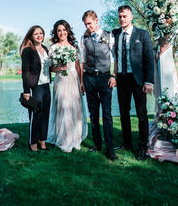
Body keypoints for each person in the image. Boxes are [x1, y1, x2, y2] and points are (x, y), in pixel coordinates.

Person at [112, 5, 154, 160]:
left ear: (131, 17)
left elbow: (149, 59)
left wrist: (149, 81)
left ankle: (143, 146)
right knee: (123, 113)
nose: (122, 19)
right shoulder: (115, 34)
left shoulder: (142, 34)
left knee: (141, 114)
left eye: (125, 16)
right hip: (122, 79)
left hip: (138, 80)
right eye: (120, 16)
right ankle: (127, 142)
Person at [80, 10, 117, 161]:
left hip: (105, 78)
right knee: (93, 114)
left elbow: (115, 58)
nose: (88, 27)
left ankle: (110, 149)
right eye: (85, 24)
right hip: (89, 79)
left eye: (89, 23)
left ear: (96, 20)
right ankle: (97, 145)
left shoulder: (109, 36)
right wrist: (82, 81)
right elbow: (82, 60)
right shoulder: (84, 38)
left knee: (107, 115)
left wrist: (114, 76)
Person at [47, 20, 88, 152]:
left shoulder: (74, 47)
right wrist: (59, 68)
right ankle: (63, 138)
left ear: (68, 31)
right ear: (56, 33)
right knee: (62, 108)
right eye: (59, 30)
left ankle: (74, 137)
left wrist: (81, 82)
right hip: (61, 80)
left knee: (74, 108)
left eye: (64, 30)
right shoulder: (53, 48)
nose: (62, 33)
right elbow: (51, 68)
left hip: (73, 79)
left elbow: (78, 66)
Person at [20, 25, 51, 152]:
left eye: (41, 33)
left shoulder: (45, 49)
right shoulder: (28, 50)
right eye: (36, 34)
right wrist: (26, 91)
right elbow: (25, 72)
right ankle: (32, 142)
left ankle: (42, 140)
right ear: (31, 36)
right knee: (36, 115)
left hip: (46, 86)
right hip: (35, 87)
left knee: (45, 115)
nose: (39, 35)